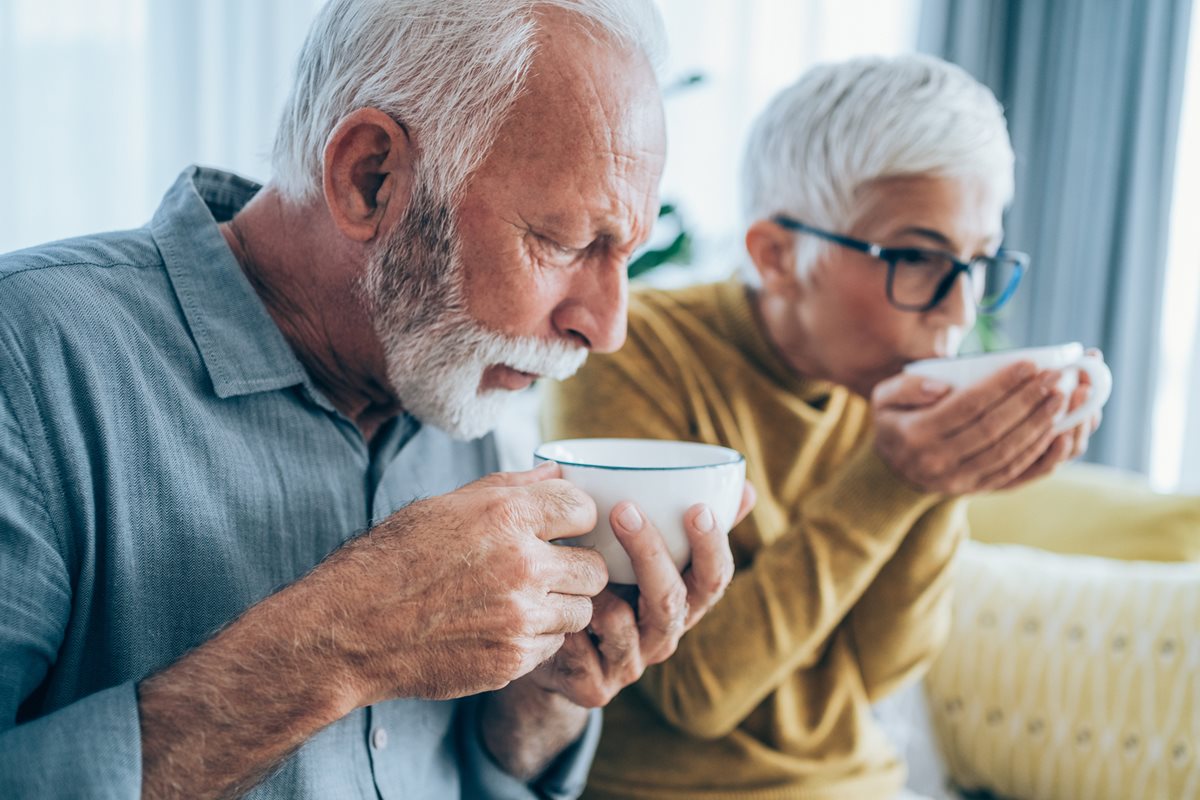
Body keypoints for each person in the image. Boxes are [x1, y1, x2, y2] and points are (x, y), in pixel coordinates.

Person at [0, 1, 752, 798]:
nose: (607, 328)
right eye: (564, 243)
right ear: (370, 178)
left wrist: (545, 692)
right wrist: (340, 646)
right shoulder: (30, 357)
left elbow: (472, 775)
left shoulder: (450, 375)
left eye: (622, 255)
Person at [545, 54, 1104, 800]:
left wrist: (945, 483)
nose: (960, 310)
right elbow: (699, 693)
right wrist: (897, 478)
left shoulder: (888, 389)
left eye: (977, 262)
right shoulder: (639, 351)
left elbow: (877, 671)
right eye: (917, 257)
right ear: (777, 256)